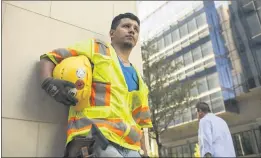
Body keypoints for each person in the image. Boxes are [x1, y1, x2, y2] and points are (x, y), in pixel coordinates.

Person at [39, 13, 152, 157]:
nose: (132, 30)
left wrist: (146, 152)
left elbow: (140, 122)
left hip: (131, 147)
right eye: (126, 26)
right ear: (112, 33)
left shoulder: (139, 79)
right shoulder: (97, 48)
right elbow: (50, 58)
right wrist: (47, 82)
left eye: (136, 29)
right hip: (94, 138)